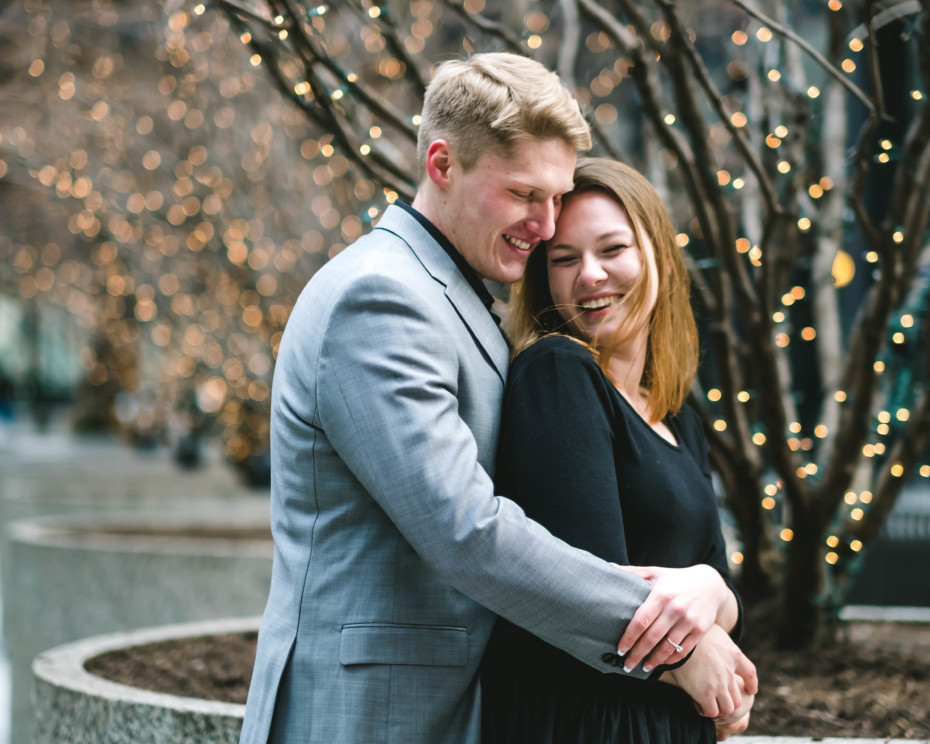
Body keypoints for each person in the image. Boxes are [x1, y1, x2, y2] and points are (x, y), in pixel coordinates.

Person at [239, 53, 755, 744]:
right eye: (524, 195)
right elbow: (466, 530)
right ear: (443, 164)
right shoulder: (380, 297)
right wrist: (679, 645)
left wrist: (713, 594)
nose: (546, 225)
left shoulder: (457, 300)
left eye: (556, 196)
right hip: (369, 716)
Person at [482, 158, 756, 743]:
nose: (590, 276)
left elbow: (728, 595)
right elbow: (590, 590)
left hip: (668, 723)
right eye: (564, 259)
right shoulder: (559, 372)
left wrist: (709, 587)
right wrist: (697, 645)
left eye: (612, 250)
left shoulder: (678, 416)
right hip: (591, 721)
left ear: (655, 251)